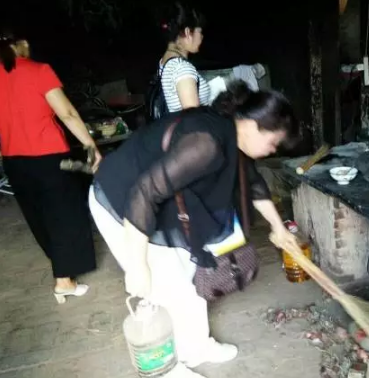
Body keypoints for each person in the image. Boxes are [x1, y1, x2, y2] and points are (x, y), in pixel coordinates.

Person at [88, 81, 300, 376]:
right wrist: (137, 265)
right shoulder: (207, 143)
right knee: (165, 287)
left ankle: (197, 347)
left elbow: (253, 183)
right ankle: (169, 369)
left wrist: (279, 229)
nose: (272, 150)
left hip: (161, 200)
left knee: (188, 280)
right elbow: (144, 192)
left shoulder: (233, 134)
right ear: (252, 125)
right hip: (122, 197)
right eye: (273, 143)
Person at [0, 27, 102, 304]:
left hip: (13, 161)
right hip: (50, 159)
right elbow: (67, 113)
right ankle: (63, 282)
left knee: (40, 219)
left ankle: (63, 276)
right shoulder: (38, 70)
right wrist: (91, 147)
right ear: (20, 44)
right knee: (65, 215)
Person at [158, 2, 211, 112]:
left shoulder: (165, 61)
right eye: (200, 32)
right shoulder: (182, 69)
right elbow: (193, 121)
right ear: (187, 32)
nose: (202, 36)